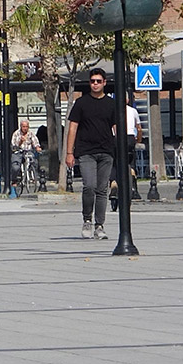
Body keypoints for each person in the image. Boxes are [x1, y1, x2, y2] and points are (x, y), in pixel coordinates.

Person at [65, 68, 118, 240]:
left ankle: (99, 225)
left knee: (102, 189)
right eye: (92, 81)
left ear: (104, 83)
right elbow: (72, 127)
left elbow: (117, 127)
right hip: (86, 151)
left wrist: (120, 148)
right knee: (89, 185)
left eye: (98, 81)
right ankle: (87, 219)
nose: (95, 84)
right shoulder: (81, 103)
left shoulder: (111, 104)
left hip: (106, 151)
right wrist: (69, 153)